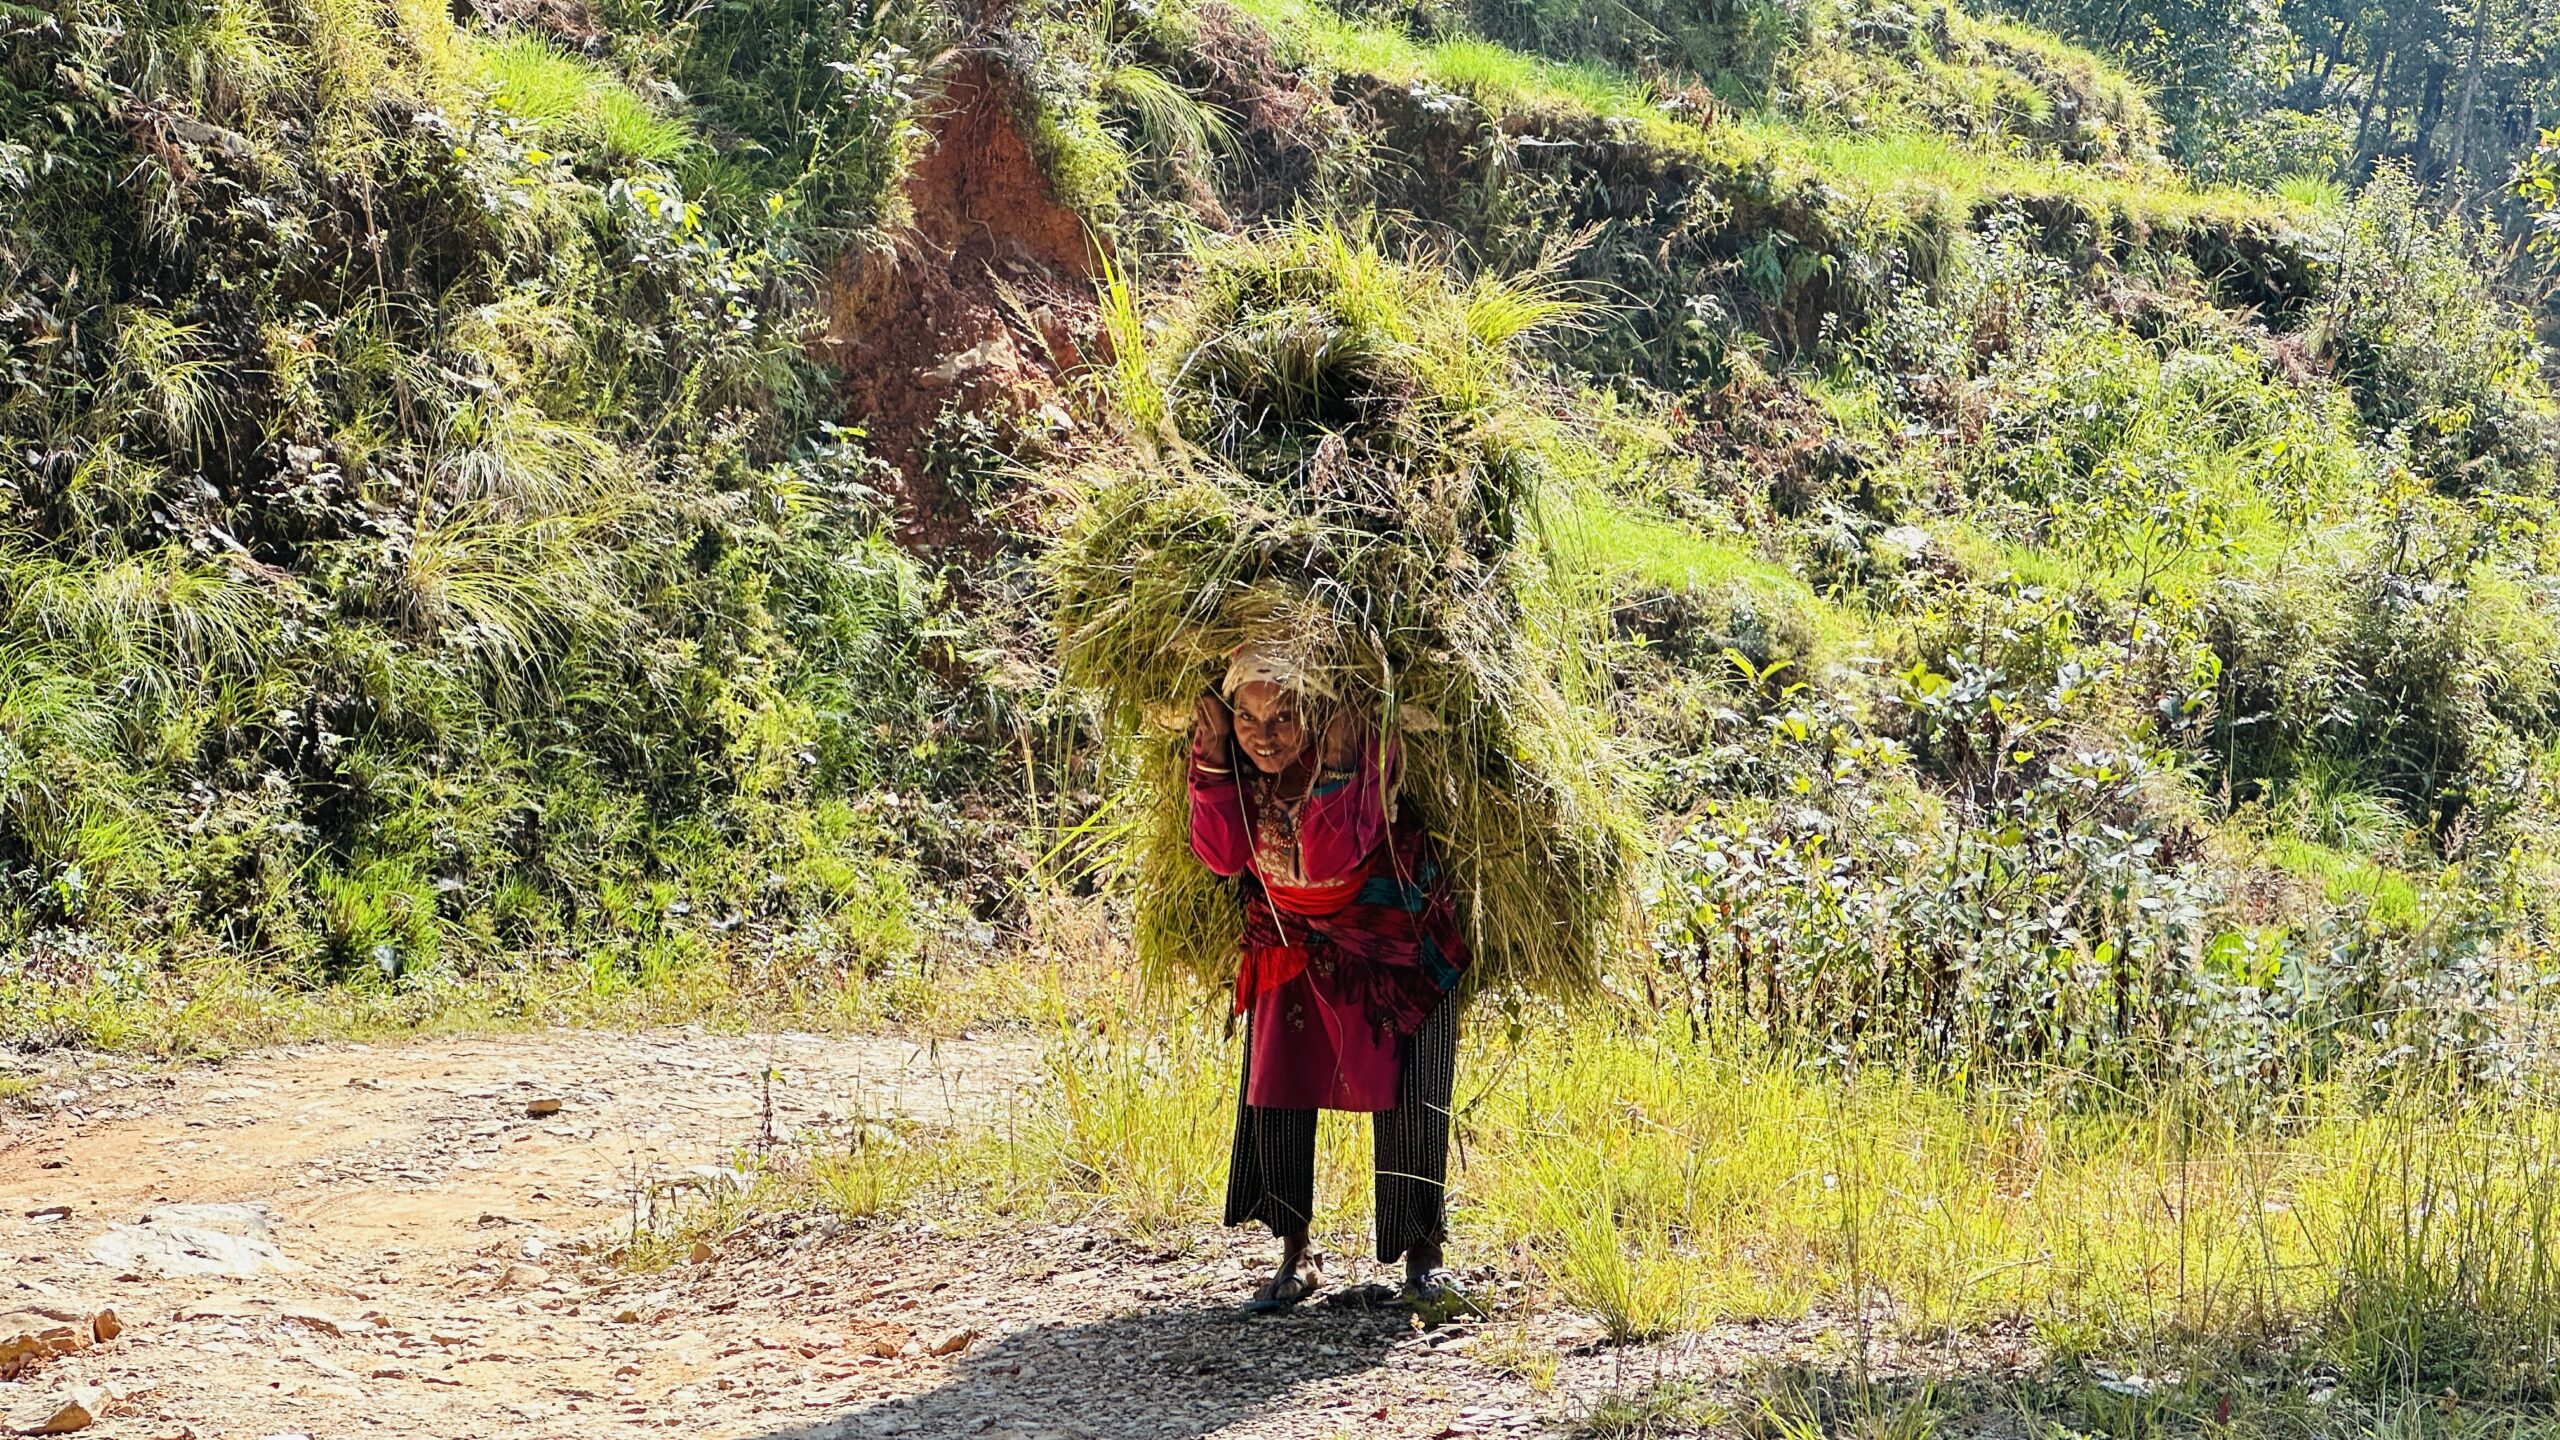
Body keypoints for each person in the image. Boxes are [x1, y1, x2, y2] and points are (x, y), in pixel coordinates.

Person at [1186, 643, 1470, 1314]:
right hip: (1289, 934)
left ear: (1316, 710)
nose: (1264, 736)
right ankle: (1295, 1250)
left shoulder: (1360, 742)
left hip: (1391, 934)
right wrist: (1211, 756)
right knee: (1276, 1091)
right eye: (1247, 719)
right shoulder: (1230, 756)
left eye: (1283, 716)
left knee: (1415, 1093)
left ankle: (1423, 1256)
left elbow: (1333, 847)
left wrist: (1343, 763)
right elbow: (1224, 857)